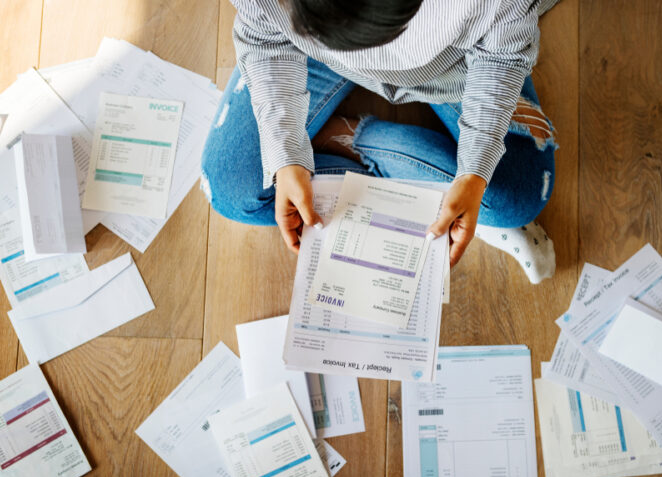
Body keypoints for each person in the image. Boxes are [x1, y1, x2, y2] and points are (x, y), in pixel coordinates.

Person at [201, 0, 559, 283]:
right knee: (233, 189)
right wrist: (284, 152)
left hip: (455, 66)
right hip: (311, 54)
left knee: (519, 197)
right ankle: (442, 201)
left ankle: (346, 139)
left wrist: (474, 173)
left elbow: (502, 57)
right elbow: (264, 36)